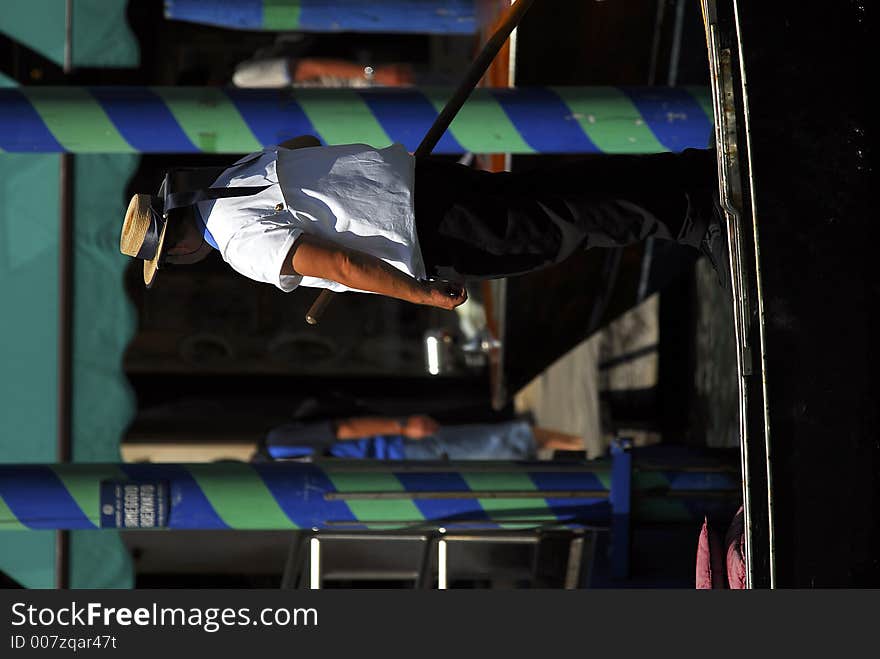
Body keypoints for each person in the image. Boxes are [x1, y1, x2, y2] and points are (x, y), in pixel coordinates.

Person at [119, 136, 728, 307]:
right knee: (553, 194)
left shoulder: (237, 245)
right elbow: (302, 143)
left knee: (556, 224)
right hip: (412, 179)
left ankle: (689, 215)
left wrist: (420, 294)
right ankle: (688, 176)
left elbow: (339, 265)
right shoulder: (232, 175)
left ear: (174, 251)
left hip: (422, 230)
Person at [258, 414, 584, 461]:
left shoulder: (278, 447)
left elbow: (344, 430)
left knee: (495, 443)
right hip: (393, 469)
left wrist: (400, 426)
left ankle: (579, 443)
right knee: (494, 449)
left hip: (398, 449)